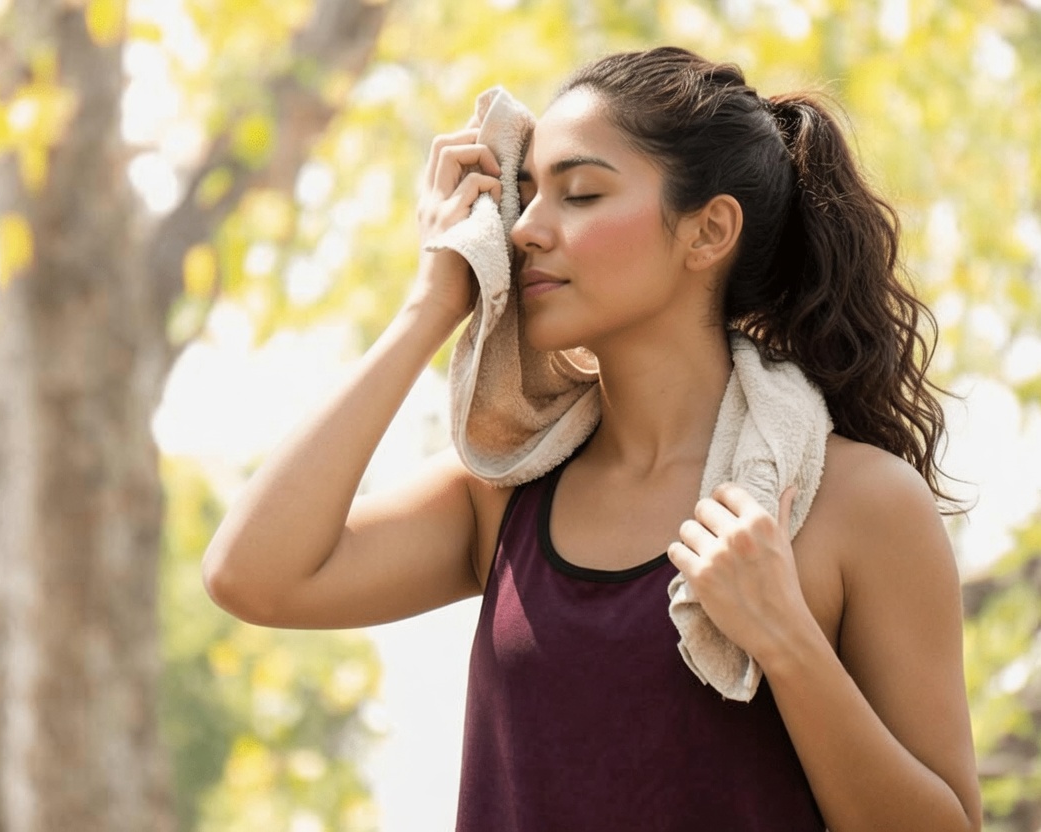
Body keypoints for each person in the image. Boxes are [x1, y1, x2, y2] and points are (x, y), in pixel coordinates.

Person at [202, 46, 981, 831]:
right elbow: (251, 576)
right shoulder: (503, 491)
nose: (525, 230)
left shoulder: (860, 506)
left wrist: (786, 639)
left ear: (709, 231)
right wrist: (430, 305)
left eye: (579, 195)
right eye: (527, 194)